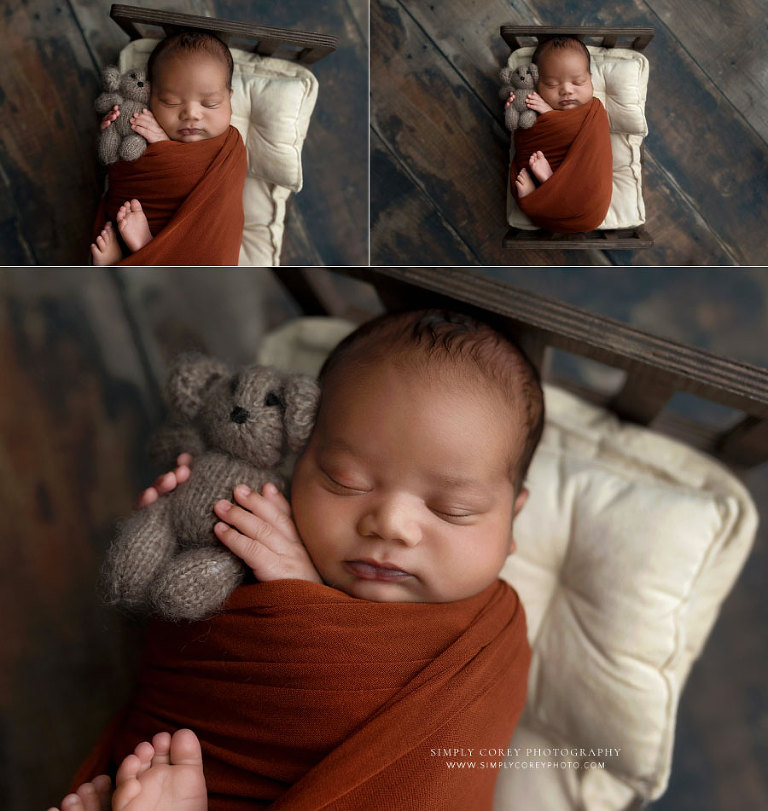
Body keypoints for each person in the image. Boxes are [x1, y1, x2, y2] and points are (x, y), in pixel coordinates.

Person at [50, 309, 544, 811]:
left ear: (511, 521)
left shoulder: (490, 644)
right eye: (345, 480)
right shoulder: (262, 535)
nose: (391, 524)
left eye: (452, 510)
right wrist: (176, 535)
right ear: (298, 463)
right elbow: (181, 657)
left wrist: (303, 607)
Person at [90, 31, 247, 266]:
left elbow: (218, 213)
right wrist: (114, 134)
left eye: (211, 103)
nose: (191, 114)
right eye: (171, 102)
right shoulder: (141, 127)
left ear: (229, 99)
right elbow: (124, 178)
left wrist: (165, 147)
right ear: (150, 98)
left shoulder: (229, 148)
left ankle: (141, 251)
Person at [505, 36, 613, 233]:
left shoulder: (593, 112)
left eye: (578, 82)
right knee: (528, 158)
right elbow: (525, 140)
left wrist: (549, 114)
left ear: (590, 78)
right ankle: (545, 190)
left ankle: (548, 183)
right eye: (552, 84)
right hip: (545, 167)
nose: (566, 91)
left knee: (588, 192)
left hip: (586, 201)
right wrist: (516, 111)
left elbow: (594, 149)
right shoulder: (534, 104)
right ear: (537, 85)